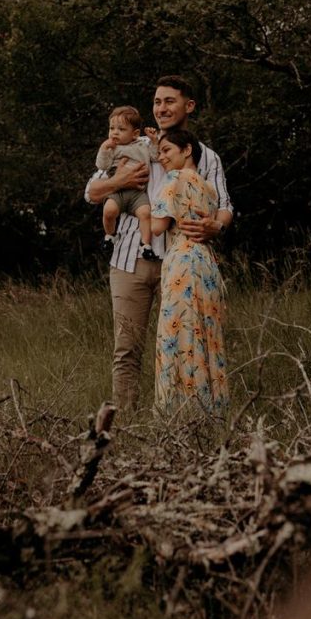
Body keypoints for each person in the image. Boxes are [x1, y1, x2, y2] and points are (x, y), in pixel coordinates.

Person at [85, 76, 232, 413]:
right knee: (127, 348)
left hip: (180, 262)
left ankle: (182, 419)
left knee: (183, 342)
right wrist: (120, 181)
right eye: (157, 102)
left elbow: (225, 205)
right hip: (129, 261)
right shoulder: (132, 144)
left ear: (189, 106)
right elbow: (91, 192)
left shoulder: (206, 157)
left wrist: (215, 226)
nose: (161, 108)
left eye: (169, 101)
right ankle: (124, 423)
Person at [151, 129, 229, 417]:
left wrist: (135, 211)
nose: (161, 158)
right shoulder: (208, 187)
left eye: (167, 151)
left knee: (179, 335)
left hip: (181, 260)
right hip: (206, 260)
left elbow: (157, 228)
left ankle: (181, 414)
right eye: (159, 153)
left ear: (187, 150)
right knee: (206, 335)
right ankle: (212, 411)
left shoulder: (173, 179)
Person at [94, 105, 159, 259]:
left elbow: (155, 157)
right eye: (112, 128)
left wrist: (154, 141)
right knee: (109, 210)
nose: (115, 132)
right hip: (118, 192)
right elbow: (102, 165)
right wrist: (103, 149)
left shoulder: (142, 145)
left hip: (138, 193)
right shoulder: (112, 148)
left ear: (135, 134)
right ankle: (110, 235)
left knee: (145, 213)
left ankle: (145, 245)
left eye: (121, 129)